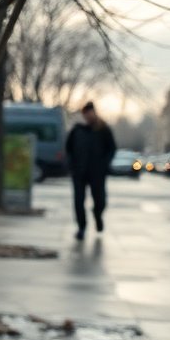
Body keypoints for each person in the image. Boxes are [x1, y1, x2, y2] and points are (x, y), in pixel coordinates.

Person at [65, 101, 116, 240]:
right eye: (85, 113)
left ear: (94, 112)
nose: (88, 115)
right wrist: (71, 165)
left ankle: (97, 215)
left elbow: (111, 148)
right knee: (78, 201)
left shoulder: (103, 129)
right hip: (79, 172)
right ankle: (81, 227)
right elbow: (68, 149)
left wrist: (105, 164)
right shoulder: (77, 130)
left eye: (90, 112)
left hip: (97, 173)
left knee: (100, 201)